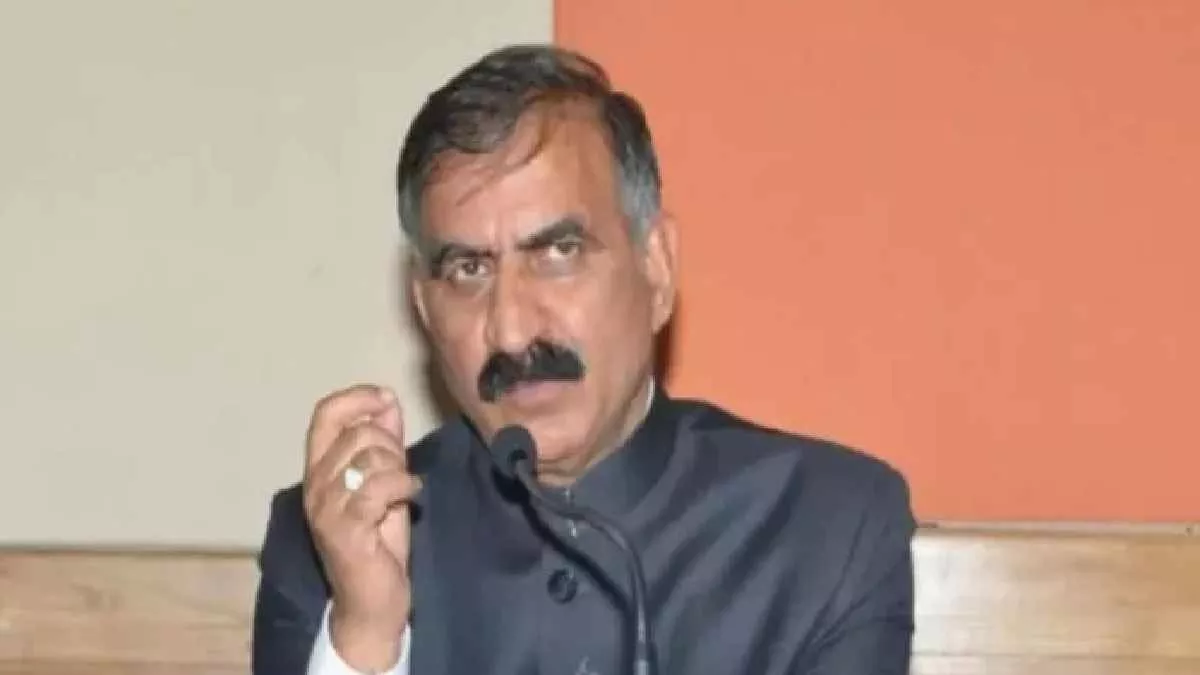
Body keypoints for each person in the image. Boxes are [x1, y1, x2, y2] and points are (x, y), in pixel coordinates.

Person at [251, 43, 916, 675]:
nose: (512, 331)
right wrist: (367, 638)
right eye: (469, 269)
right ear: (424, 309)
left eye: (558, 252)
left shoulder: (828, 525)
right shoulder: (333, 543)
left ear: (656, 268)